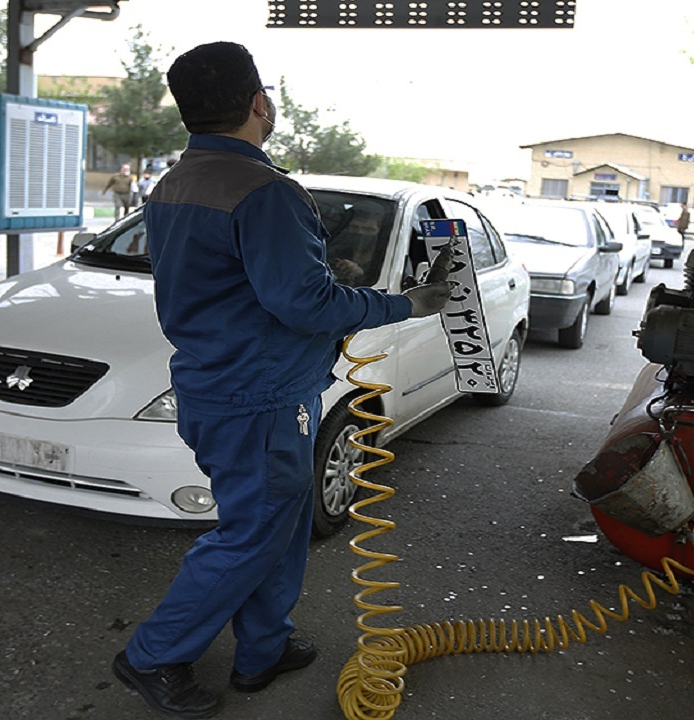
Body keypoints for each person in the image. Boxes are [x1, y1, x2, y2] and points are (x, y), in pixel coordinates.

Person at [110, 41, 454, 720]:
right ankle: (151, 654)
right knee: (252, 532)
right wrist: (402, 304)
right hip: (258, 397)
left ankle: (262, 648)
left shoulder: (173, 184)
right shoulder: (266, 192)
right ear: (259, 105)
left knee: (281, 523)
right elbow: (305, 305)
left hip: (225, 384)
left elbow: (244, 286)